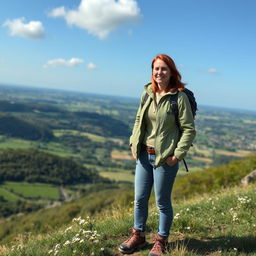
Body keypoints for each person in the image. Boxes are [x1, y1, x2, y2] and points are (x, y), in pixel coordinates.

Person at [118, 54, 196, 256]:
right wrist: (133, 142)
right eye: (156, 69)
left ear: (171, 73)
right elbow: (138, 119)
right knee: (139, 199)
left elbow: (188, 129)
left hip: (165, 158)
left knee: (162, 202)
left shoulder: (178, 98)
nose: (159, 72)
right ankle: (138, 235)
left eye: (164, 69)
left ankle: (161, 241)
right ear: (152, 71)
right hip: (144, 154)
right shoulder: (147, 93)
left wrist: (177, 155)